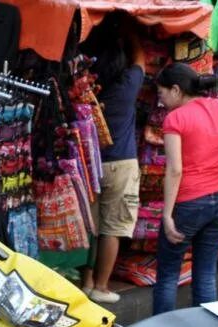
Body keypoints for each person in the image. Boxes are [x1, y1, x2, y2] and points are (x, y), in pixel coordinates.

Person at [154, 64, 218, 315]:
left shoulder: (175, 118)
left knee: (168, 274)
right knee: (206, 273)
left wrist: (167, 215)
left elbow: (175, 169)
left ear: (176, 90)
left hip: (189, 202)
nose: (160, 101)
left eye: (162, 94)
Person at [82, 13, 145, 304]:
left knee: (92, 228)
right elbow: (141, 60)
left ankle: (87, 281)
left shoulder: (85, 92)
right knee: (113, 227)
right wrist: (129, 32)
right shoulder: (128, 85)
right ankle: (103, 287)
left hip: (90, 164)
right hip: (121, 162)